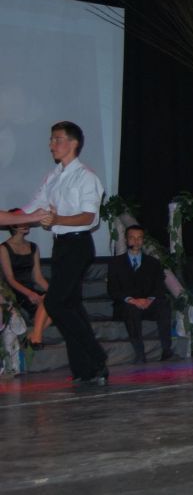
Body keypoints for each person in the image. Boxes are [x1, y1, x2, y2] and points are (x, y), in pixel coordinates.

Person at [22, 121, 108, 385]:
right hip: (60, 245)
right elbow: (32, 208)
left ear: (74, 143)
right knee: (70, 305)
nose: (52, 145)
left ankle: (96, 355)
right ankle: (86, 369)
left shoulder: (86, 177)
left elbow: (89, 217)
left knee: (56, 302)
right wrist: (10, 217)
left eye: (57, 139)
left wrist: (58, 218)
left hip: (78, 244)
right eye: (51, 140)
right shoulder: (53, 176)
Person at [107, 224, 173, 363]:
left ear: (143, 240)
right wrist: (132, 300)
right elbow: (113, 290)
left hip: (148, 303)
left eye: (139, 238)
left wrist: (149, 299)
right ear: (126, 240)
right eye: (132, 238)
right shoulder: (115, 263)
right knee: (131, 309)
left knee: (163, 305)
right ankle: (139, 353)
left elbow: (159, 287)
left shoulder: (153, 263)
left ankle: (167, 349)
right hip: (127, 305)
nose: (136, 241)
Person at [0, 210, 52, 349]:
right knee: (51, 303)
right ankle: (33, 337)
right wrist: (29, 293)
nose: (26, 224)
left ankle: (31, 336)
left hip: (31, 288)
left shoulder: (33, 246)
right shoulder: (3, 248)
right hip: (15, 291)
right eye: (22, 221)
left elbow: (38, 277)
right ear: (13, 224)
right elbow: (10, 279)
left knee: (56, 300)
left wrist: (54, 291)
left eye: (26, 221)